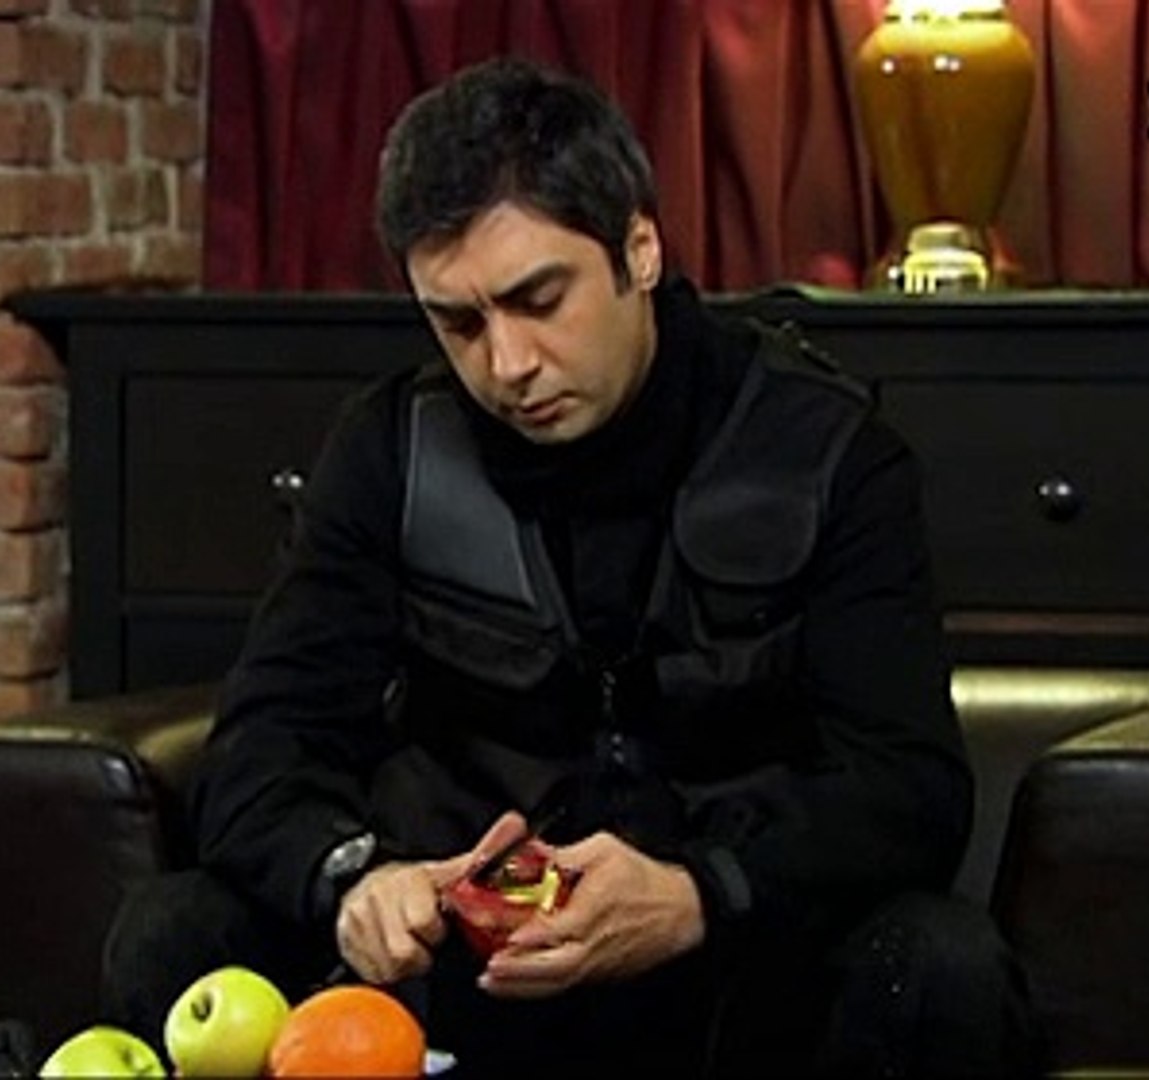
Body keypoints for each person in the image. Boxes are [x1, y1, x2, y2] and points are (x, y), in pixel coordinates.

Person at [103, 56, 1033, 1077]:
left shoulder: (825, 453)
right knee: (175, 930)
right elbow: (261, 747)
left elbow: (907, 787)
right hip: (462, 969)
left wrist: (699, 893)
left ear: (638, 248)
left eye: (538, 299)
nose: (507, 366)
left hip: (734, 954)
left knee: (939, 967)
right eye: (458, 323)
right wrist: (354, 879)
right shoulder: (388, 450)